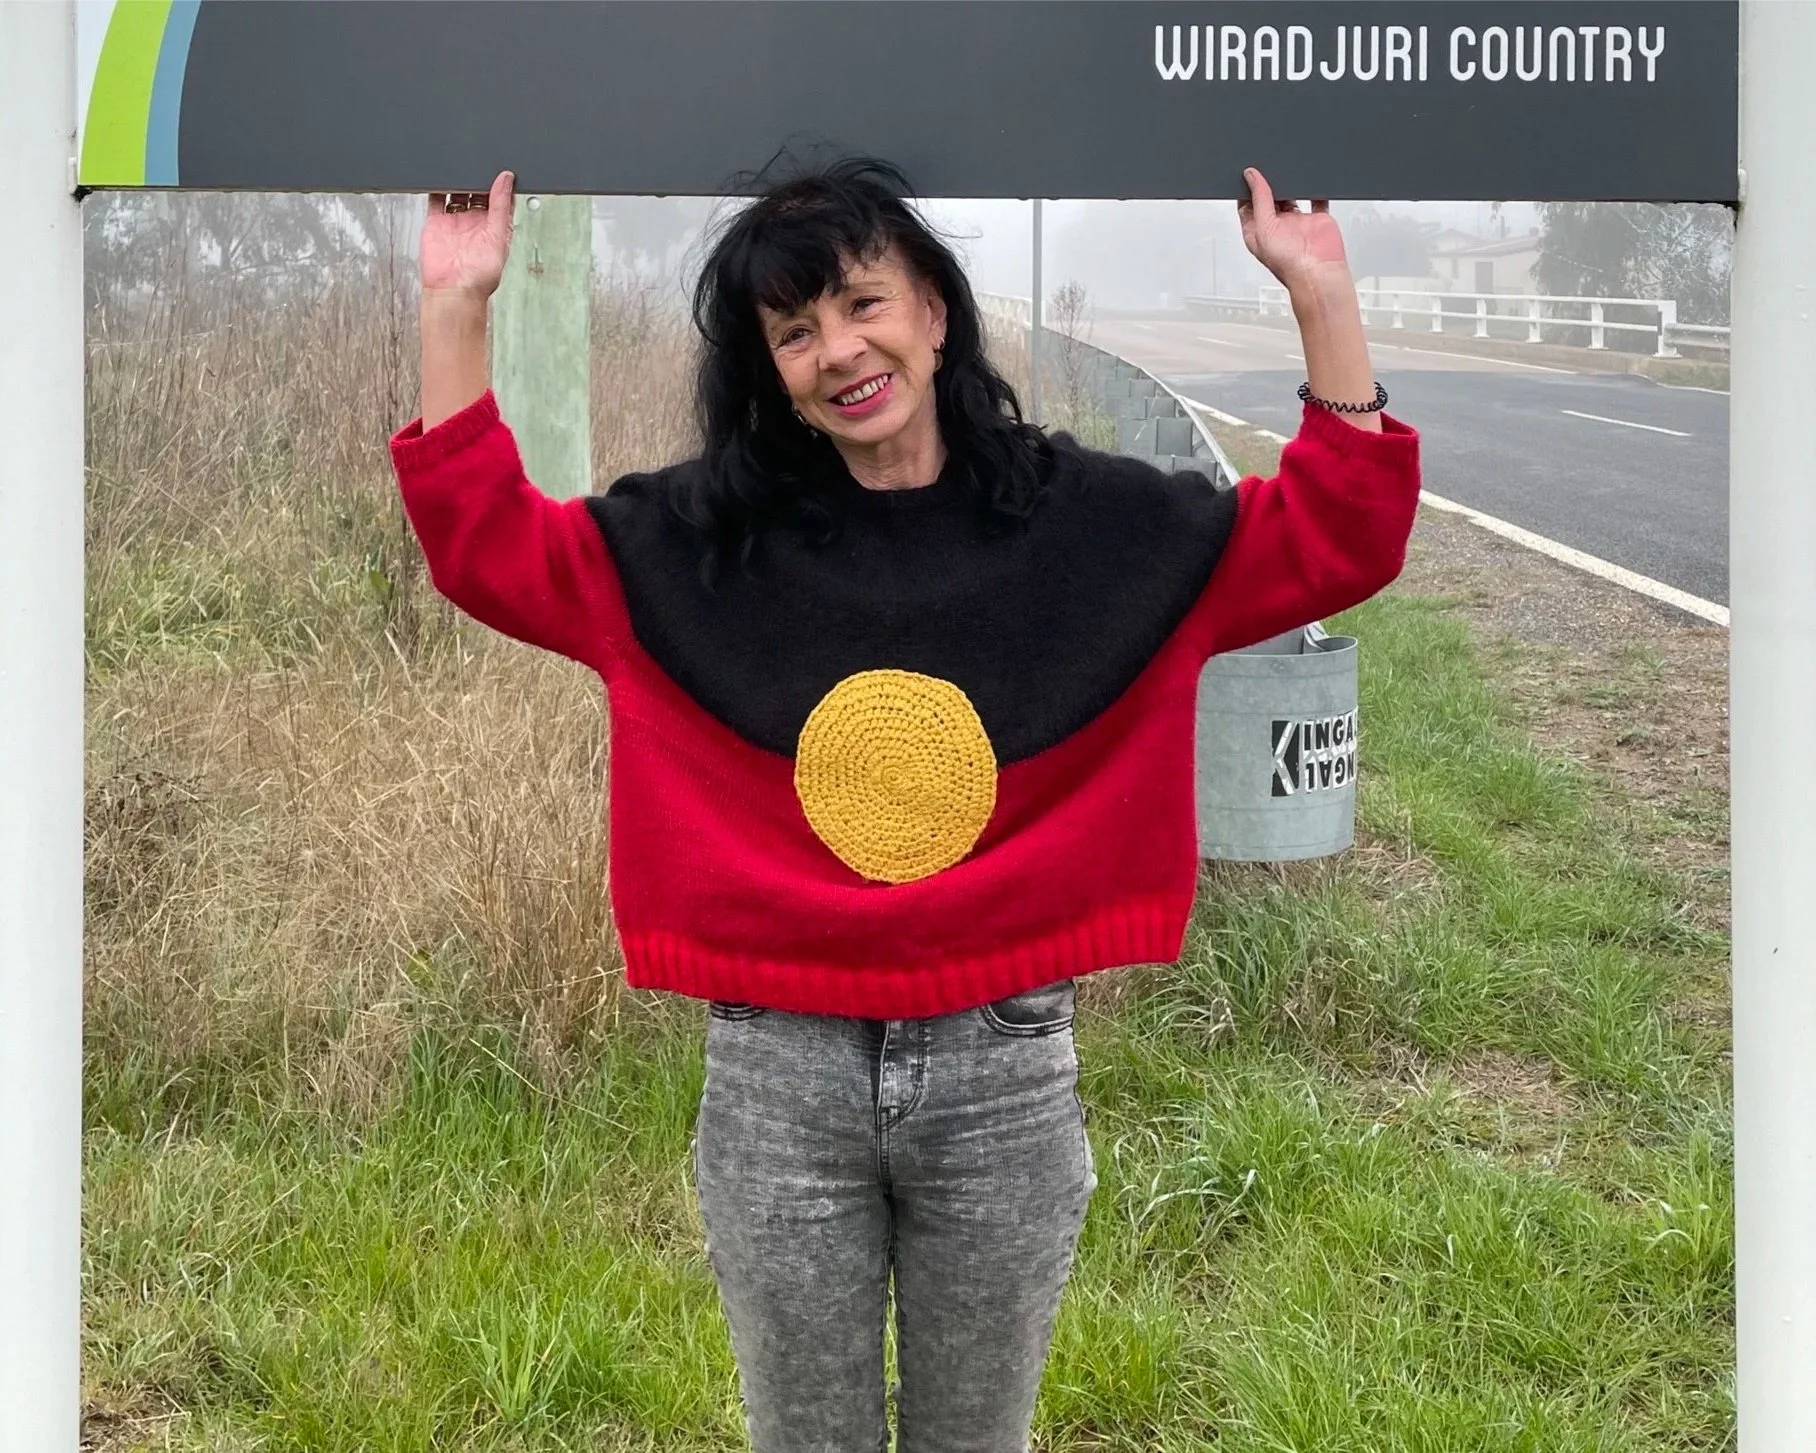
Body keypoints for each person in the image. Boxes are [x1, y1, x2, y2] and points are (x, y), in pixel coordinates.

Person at [389, 154, 1420, 1453]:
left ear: (935, 311)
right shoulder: (701, 543)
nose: (839, 350)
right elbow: (487, 549)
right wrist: (456, 305)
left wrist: (1319, 291)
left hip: (1004, 1066)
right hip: (777, 1073)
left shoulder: (1090, 525)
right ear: (771, 372)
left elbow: (1342, 534)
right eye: (795, 331)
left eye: (863, 304)